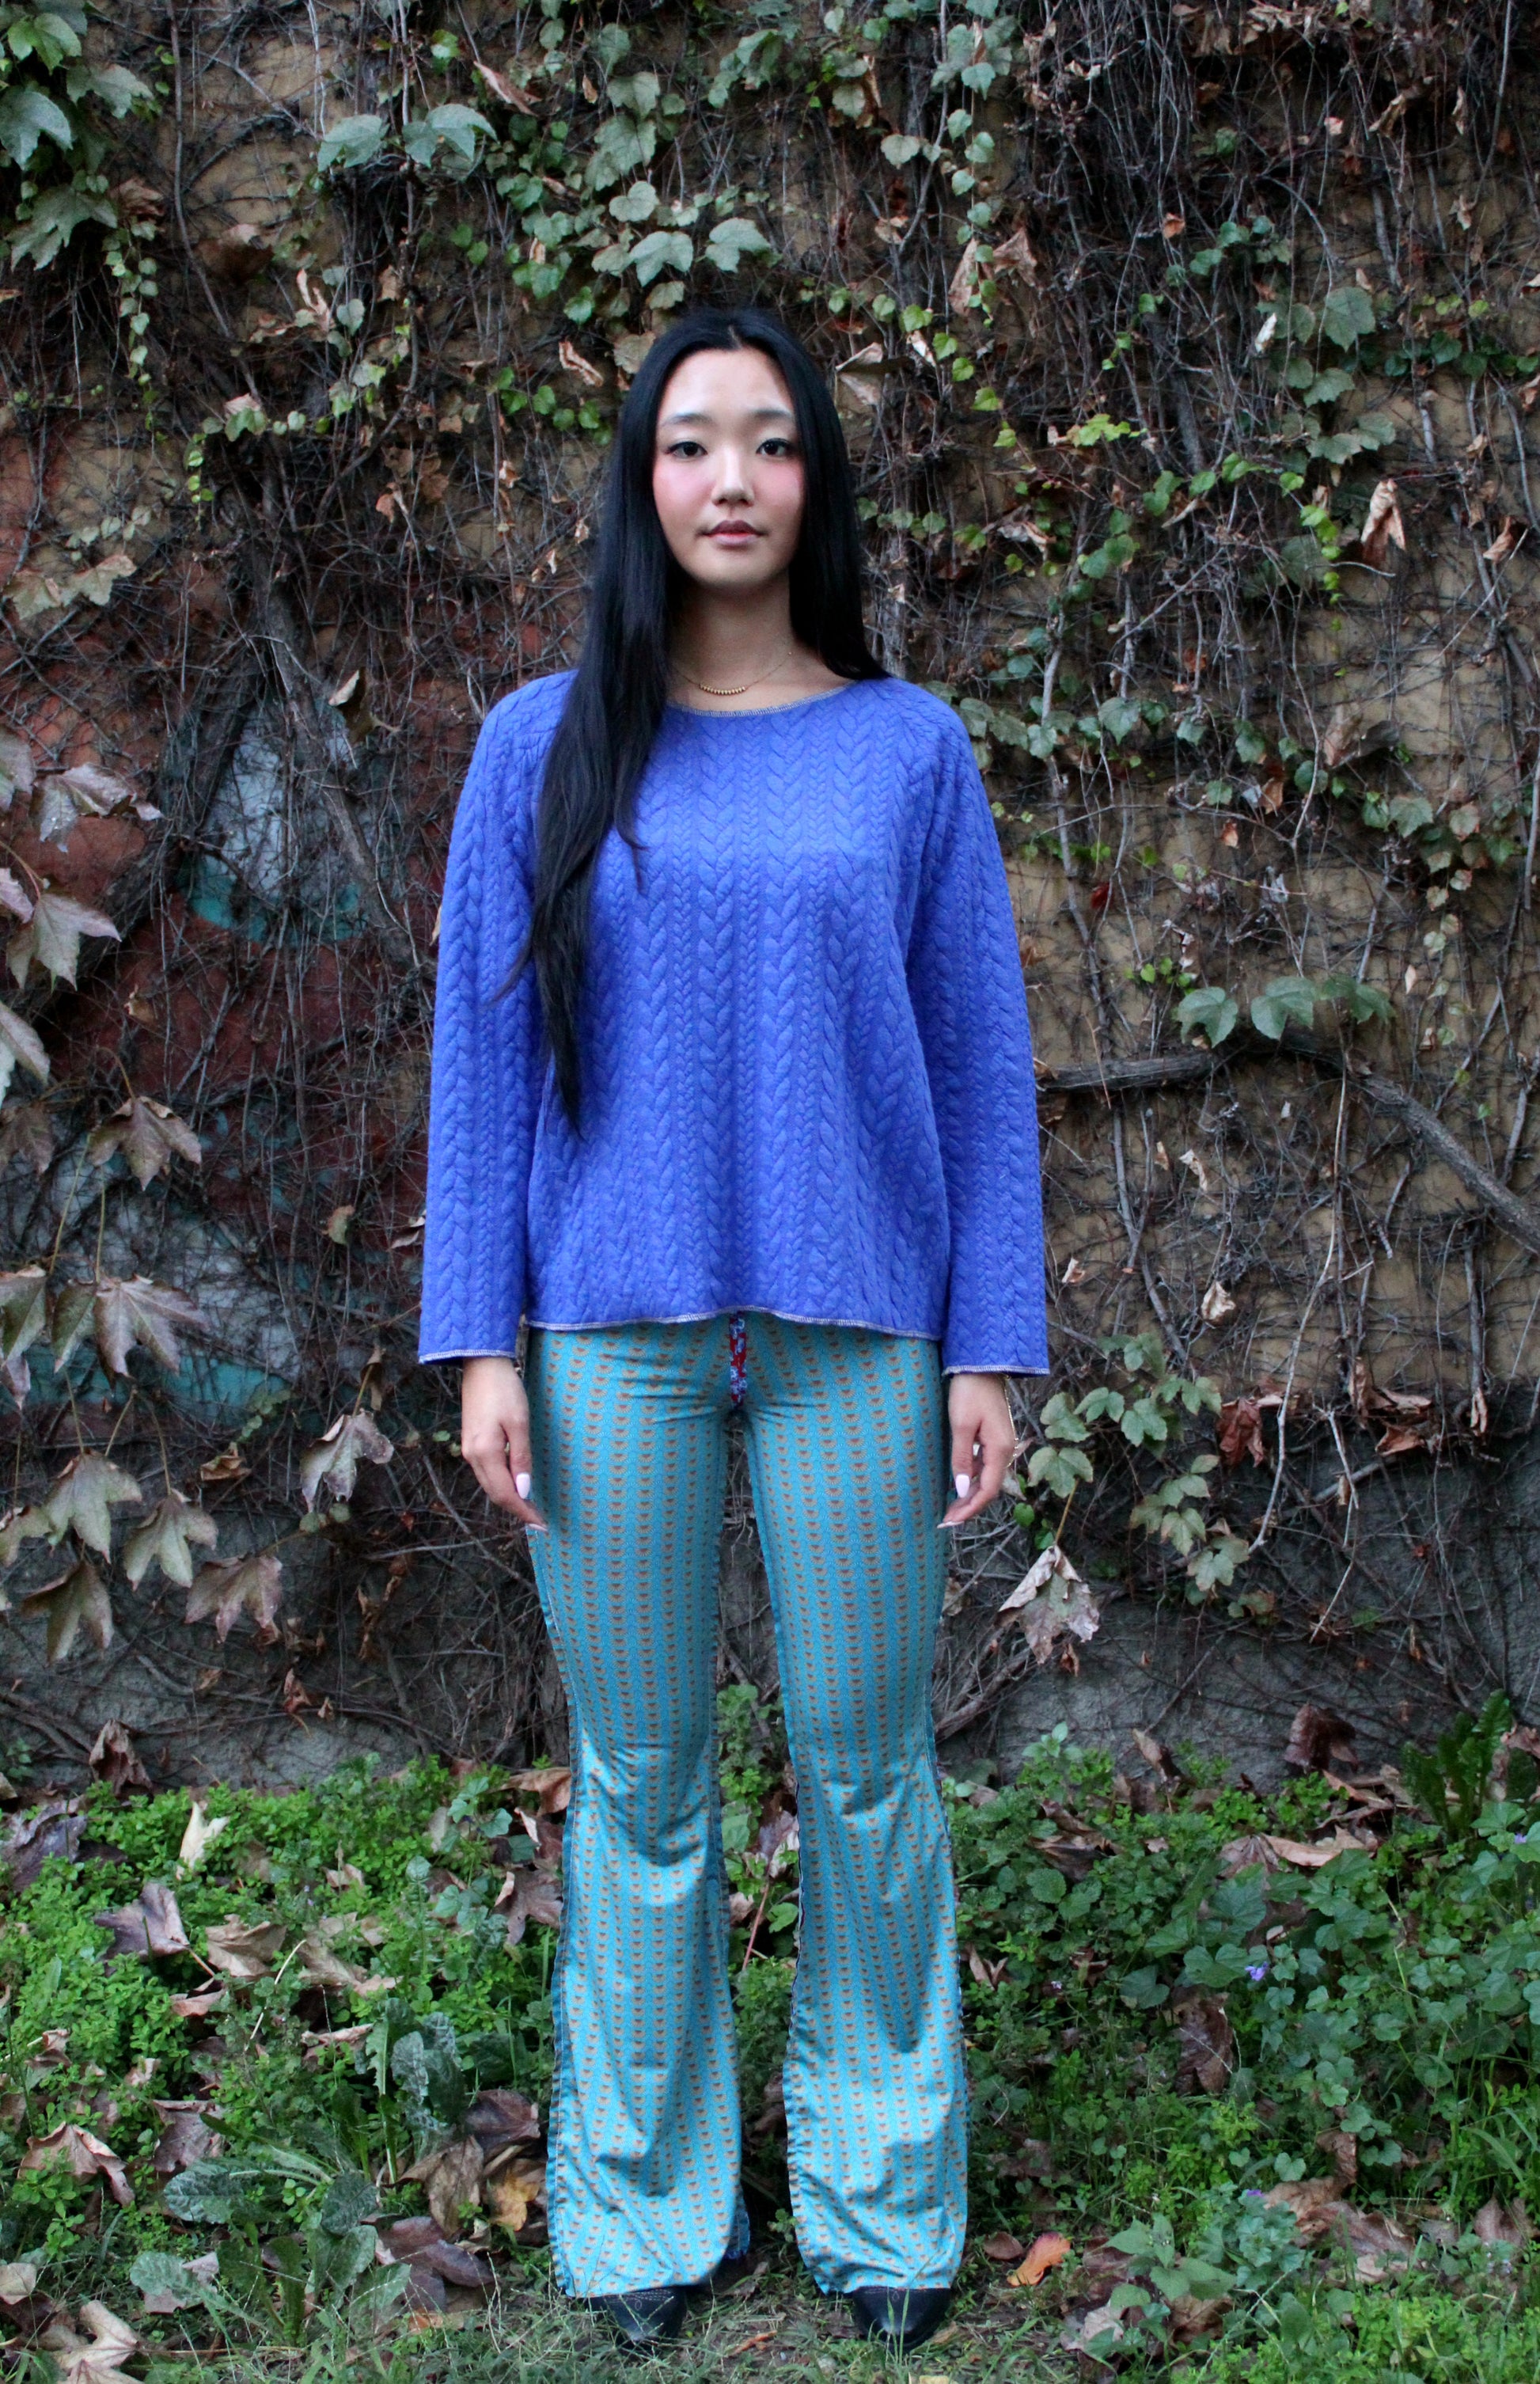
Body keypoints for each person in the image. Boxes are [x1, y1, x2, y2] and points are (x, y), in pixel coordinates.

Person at [419, 307, 1046, 2355]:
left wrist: (989, 1345)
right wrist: (480, 1340)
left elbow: (980, 1064)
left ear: (813, 485)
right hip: (607, 1339)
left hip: (861, 1337)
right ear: (641, 480)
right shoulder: (541, 744)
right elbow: (481, 1063)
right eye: (690, 441)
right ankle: (638, 2209)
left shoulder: (907, 750)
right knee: (641, 1781)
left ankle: (883, 2198)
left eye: (770, 442)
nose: (730, 478)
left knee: (866, 1771)